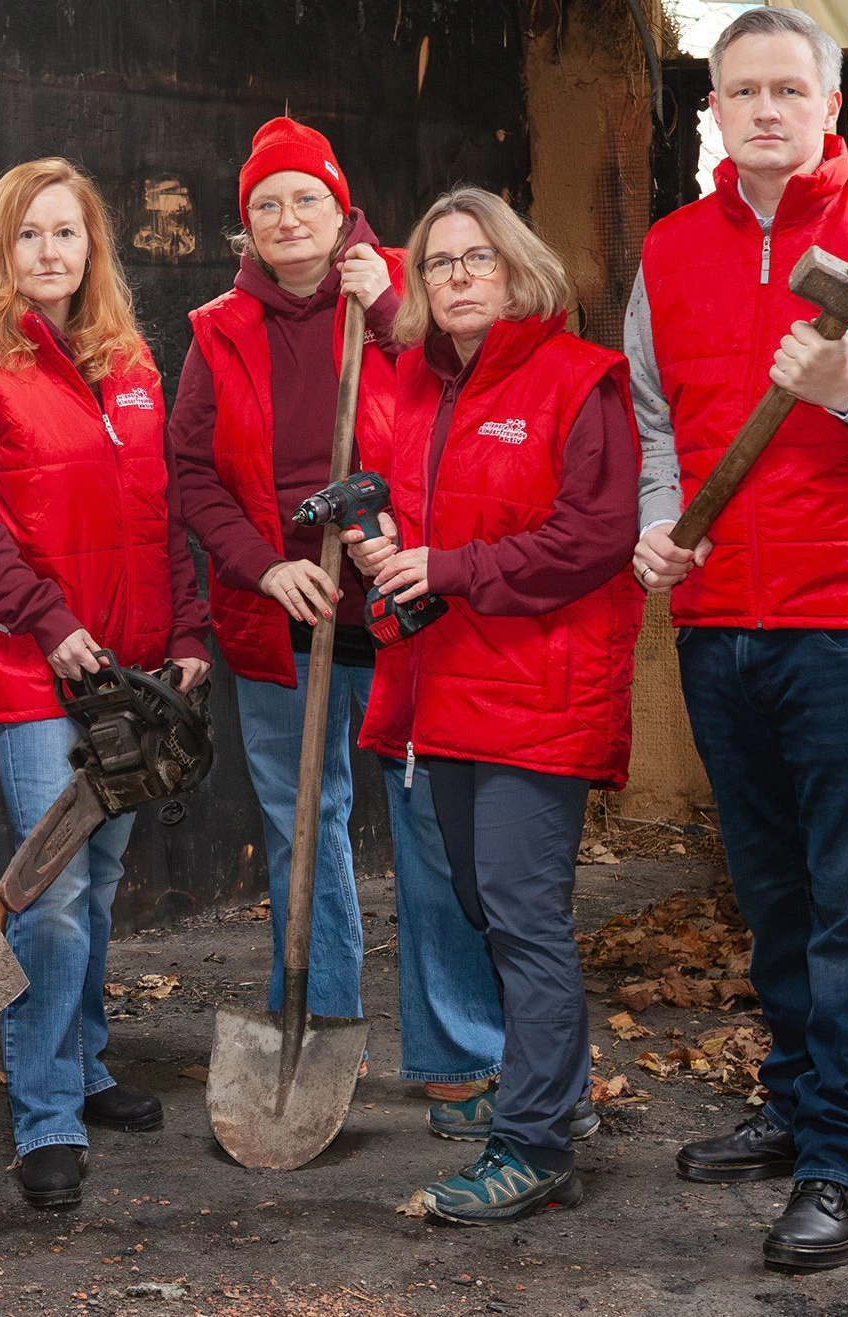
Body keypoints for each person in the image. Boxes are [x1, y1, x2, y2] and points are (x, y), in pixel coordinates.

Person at [627, 6, 848, 1272]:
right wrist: (664, 522)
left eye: (790, 87)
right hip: (722, 619)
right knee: (772, 891)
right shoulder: (671, 248)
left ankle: (842, 1155)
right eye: (742, 91)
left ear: (828, 103)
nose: (766, 109)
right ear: (715, 112)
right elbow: (655, 418)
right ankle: (792, 1104)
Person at [169, 117, 504, 1128]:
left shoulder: (414, 282)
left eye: (303, 197)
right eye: (265, 204)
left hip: (408, 611)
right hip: (287, 622)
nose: (286, 218)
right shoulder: (217, 329)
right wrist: (265, 567)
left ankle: (457, 1050)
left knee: (431, 835)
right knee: (298, 828)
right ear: (246, 225)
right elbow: (190, 473)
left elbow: (491, 387)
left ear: (340, 201)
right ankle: (320, 1028)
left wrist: (396, 308)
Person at [0, 157, 211, 1212]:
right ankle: (45, 1113)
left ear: (93, 248)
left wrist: (187, 627)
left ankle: (83, 1061)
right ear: (0, 241)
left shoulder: (127, 358)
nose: (48, 251)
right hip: (32, 664)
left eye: (67, 234)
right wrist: (47, 619)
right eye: (29, 232)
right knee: (51, 887)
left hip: (127, 666)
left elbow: (164, 507)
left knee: (100, 874)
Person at [344, 188, 641, 1224]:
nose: (458, 276)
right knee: (481, 905)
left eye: (478, 258)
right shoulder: (420, 389)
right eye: (437, 263)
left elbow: (594, 538)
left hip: (538, 689)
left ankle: (534, 1144)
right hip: (443, 689)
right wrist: (383, 550)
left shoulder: (577, 379)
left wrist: (450, 563)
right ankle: (547, 1089)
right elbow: (418, 526)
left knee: (519, 915)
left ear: (518, 270)